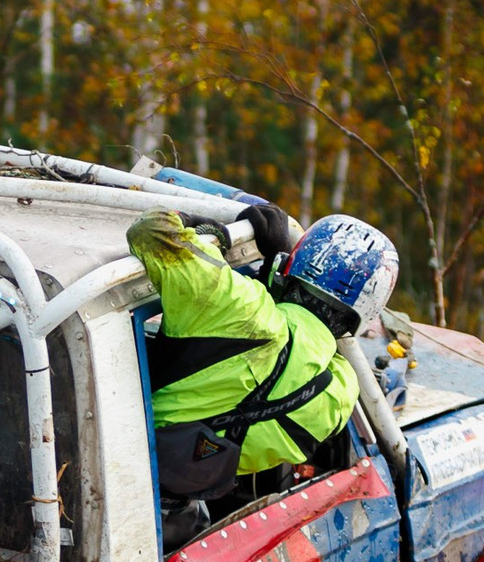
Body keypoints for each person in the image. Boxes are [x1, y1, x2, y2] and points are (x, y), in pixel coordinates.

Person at [125, 202, 401, 514]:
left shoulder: (235, 304)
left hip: (119, 462)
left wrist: (212, 233)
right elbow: (298, 349)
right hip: (178, 503)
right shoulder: (341, 393)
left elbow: (150, 230)